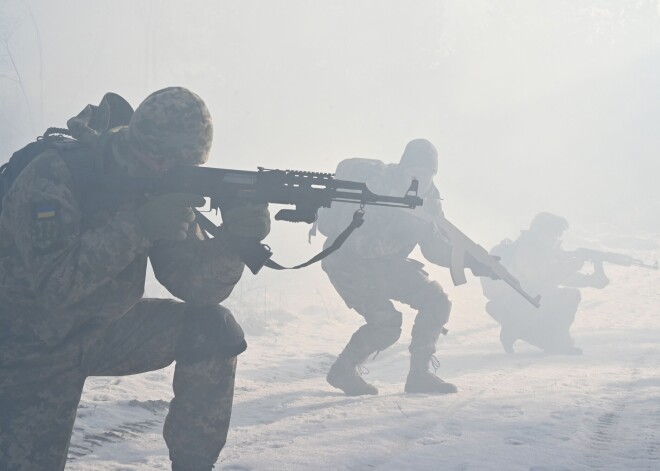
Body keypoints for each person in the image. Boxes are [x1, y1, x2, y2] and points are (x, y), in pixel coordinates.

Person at [0, 87, 271, 471]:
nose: (164, 170)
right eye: (156, 158)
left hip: (102, 330)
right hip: (25, 346)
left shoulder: (157, 180)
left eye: (180, 165)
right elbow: (53, 288)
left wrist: (233, 242)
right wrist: (139, 226)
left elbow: (196, 287)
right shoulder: (53, 173)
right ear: (132, 140)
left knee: (212, 327)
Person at [318, 139, 491, 396]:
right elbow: (363, 247)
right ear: (402, 168)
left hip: (387, 265)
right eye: (415, 173)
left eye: (427, 175)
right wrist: (408, 227)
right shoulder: (375, 190)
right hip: (348, 265)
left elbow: (433, 247)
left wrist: (470, 261)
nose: (420, 181)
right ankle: (343, 371)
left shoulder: (429, 199)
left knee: (437, 301)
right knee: (386, 324)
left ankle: (419, 376)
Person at [481, 212, 609, 355]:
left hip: (527, 303)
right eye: (552, 233)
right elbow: (539, 280)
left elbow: (561, 278)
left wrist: (591, 280)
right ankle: (517, 329)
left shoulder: (543, 251)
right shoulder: (527, 250)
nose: (555, 238)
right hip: (514, 303)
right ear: (539, 232)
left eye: (557, 234)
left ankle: (552, 340)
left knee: (568, 296)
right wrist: (571, 266)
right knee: (567, 297)